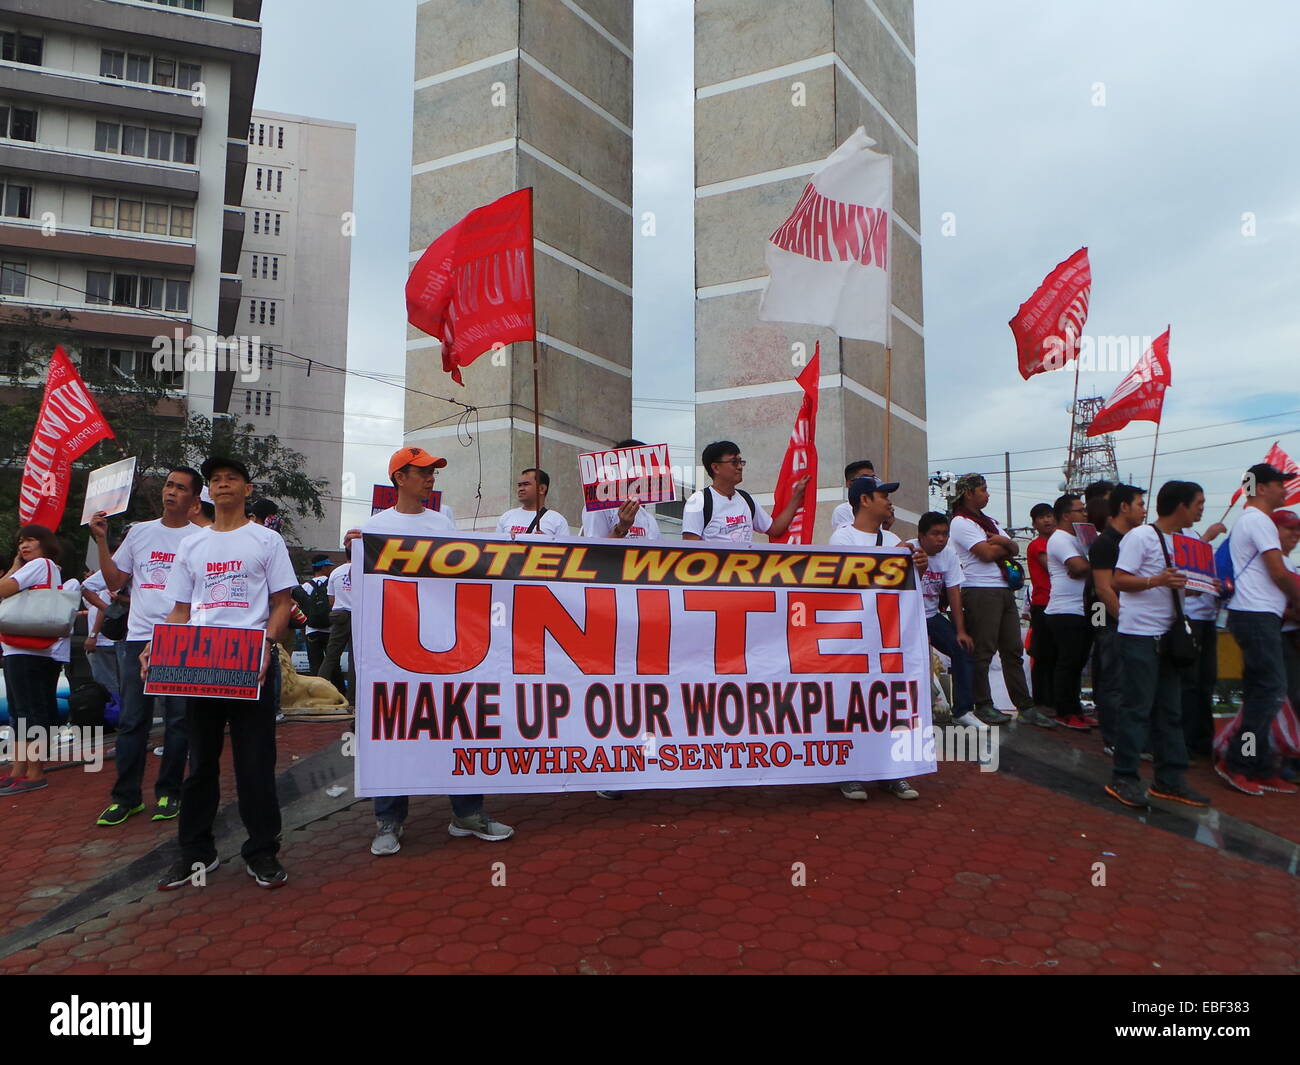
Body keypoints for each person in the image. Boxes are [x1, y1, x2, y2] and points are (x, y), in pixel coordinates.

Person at [151, 456, 297, 890]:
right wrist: (157, 652)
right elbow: (180, 609)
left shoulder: (266, 540)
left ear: (247, 489)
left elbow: (282, 604)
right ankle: (196, 852)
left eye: (232, 478)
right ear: (208, 492)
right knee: (200, 766)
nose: (223, 485)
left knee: (255, 764)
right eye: (216, 480)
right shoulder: (192, 546)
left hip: (249, 662)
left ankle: (262, 851)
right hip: (199, 663)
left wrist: (268, 646)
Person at [366, 447, 513, 855]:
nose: (431, 478)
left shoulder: (442, 521)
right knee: (395, 729)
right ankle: (389, 819)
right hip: (394, 652)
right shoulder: (375, 526)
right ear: (400, 478)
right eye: (422, 472)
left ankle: (467, 812)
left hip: (448, 644)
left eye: (432, 472)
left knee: (458, 723)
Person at [89, 468, 202, 825]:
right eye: (169, 485)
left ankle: (170, 792)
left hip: (179, 639)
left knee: (178, 720)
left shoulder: (202, 539)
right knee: (132, 720)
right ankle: (126, 797)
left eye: (180, 488)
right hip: (135, 637)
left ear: (194, 500)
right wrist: (101, 541)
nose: (171, 492)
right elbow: (114, 581)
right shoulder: (139, 533)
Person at [1105, 480, 1211, 809]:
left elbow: (1185, 589)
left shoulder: (1190, 540)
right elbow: (1118, 579)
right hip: (1139, 634)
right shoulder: (1141, 537)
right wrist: (1156, 580)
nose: (1201, 509)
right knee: (1137, 708)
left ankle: (1170, 778)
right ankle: (1124, 776)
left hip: (1170, 636)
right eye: (1198, 503)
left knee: (1171, 709)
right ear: (1180, 505)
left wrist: (1202, 585)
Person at [829, 476, 927, 802]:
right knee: (854, 703)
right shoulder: (841, 539)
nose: (888, 501)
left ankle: (892, 772)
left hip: (890, 637)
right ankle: (851, 772)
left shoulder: (893, 538)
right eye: (883, 495)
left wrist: (918, 568)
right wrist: (890, 561)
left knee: (889, 703)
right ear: (864, 500)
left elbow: (905, 587)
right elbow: (843, 584)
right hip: (854, 639)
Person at [1220, 464, 1300, 795]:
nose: (1285, 492)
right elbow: (1279, 573)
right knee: (1270, 690)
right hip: (1254, 615)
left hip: (1258, 615)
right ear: (1263, 487)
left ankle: (1260, 764)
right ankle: (1238, 763)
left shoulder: (1254, 520)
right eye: (1281, 486)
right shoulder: (1257, 520)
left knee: (1261, 691)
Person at [948, 474, 1037, 726]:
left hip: (1003, 589)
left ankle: (1025, 704)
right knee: (983, 651)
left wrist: (1004, 542)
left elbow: (1015, 549)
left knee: (1013, 650)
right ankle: (983, 704)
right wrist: (1005, 544)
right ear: (969, 494)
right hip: (979, 589)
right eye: (983, 490)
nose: (987, 495)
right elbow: (986, 554)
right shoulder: (960, 522)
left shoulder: (990, 522)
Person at [0, 525, 69, 794]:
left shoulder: (40, 564)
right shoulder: (50, 567)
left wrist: (15, 567)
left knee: (27, 711)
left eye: (30, 540)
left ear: (44, 543)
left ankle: (34, 772)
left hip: (26, 649)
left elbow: (5, 588)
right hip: (32, 648)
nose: (23, 546)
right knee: (22, 711)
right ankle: (20, 769)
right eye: (20, 542)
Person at [908, 512, 980, 729]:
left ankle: (963, 710)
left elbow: (954, 593)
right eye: (935, 534)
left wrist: (961, 631)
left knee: (963, 648)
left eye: (945, 534)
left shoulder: (949, 555)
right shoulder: (907, 549)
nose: (941, 538)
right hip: (909, 618)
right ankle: (912, 712)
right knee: (912, 662)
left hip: (931, 616)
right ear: (921, 536)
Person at [1089, 484, 1146, 755]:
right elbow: (1103, 588)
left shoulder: (1137, 540)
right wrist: (1125, 620)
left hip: (1136, 625)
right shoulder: (1105, 543)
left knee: (1134, 684)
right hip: (1115, 624)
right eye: (1140, 504)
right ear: (1123, 507)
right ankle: (1113, 740)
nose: (1144, 510)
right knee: (1113, 682)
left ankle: (1134, 738)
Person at [682, 440, 808, 543]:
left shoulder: (746, 499)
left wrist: (796, 497)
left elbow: (774, 529)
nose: (740, 467)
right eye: (734, 462)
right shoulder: (698, 501)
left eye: (741, 461)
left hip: (745, 573)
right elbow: (690, 551)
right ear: (715, 467)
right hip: (716, 573)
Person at [1179, 512, 1228, 759]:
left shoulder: (1194, 535)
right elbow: (1186, 570)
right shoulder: (1175, 537)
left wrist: (1215, 584)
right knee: (1190, 682)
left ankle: (1203, 739)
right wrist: (1209, 536)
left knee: (1206, 681)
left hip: (1208, 617)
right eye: (1197, 504)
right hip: (1192, 618)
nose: (1200, 510)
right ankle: (1186, 741)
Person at [1044, 494, 1094, 731]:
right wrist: (1091, 568)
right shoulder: (1060, 538)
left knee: (1080, 661)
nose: (1085, 514)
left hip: (1084, 608)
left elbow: (1086, 568)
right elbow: (1078, 566)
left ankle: (1076, 709)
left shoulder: (1082, 538)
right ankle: (1064, 712)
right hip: (1065, 609)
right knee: (1069, 662)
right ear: (1066, 515)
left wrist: (1089, 569)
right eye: (1080, 510)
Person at [580, 439, 662, 540]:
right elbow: (594, 552)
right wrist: (622, 528)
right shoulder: (598, 507)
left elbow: (655, 554)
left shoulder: (648, 518)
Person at [1025, 503, 1058, 721]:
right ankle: (1042, 702)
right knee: (1043, 655)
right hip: (1043, 603)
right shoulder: (1037, 545)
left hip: (1058, 604)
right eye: (1041, 518)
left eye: (1049, 516)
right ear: (1034, 523)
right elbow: (1053, 567)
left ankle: (1054, 700)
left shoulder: (1059, 542)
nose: (1046, 520)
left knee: (1056, 655)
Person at [318, 529, 359, 701]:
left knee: (331, 656)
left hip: (339, 614)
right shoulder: (362, 570)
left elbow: (331, 599)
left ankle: (318, 690)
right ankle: (352, 699)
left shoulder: (336, 572)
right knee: (354, 659)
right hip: (357, 616)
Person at [1273, 509, 1300, 715]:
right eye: (1289, 528)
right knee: (1292, 694)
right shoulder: (1272, 564)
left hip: (1293, 635)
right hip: (1281, 637)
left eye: (1298, 529)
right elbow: (1270, 604)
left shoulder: (1290, 564)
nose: (1295, 533)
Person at [81, 570, 122, 701]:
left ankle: (114, 712)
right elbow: (91, 605)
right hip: (107, 640)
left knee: (107, 683)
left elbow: (103, 609)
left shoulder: (112, 578)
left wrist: (93, 635)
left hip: (104, 640)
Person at [496, 467, 569, 539]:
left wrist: (548, 542)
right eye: (519, 485)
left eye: (526, 484)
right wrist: (506, 540)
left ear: (542, 489)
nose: (520, 489)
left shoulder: (557, 520)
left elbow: (567, 548)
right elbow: (495, 546)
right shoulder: (506, 516)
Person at [294, 555, 334, 677]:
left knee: (315, 665)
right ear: (324, 567)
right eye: (329, 566)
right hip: (330, 629)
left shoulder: (306, 586)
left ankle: (316, 692)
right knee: (332, 664)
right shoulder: (331, 584)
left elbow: (297, 607)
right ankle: (337, 692)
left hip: (311, 630)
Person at [831, 460, 875, 530]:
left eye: (873, 478)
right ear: (849, 484)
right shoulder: (842, 511)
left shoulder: (876, 507)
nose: (871, 482)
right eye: (865, 478)